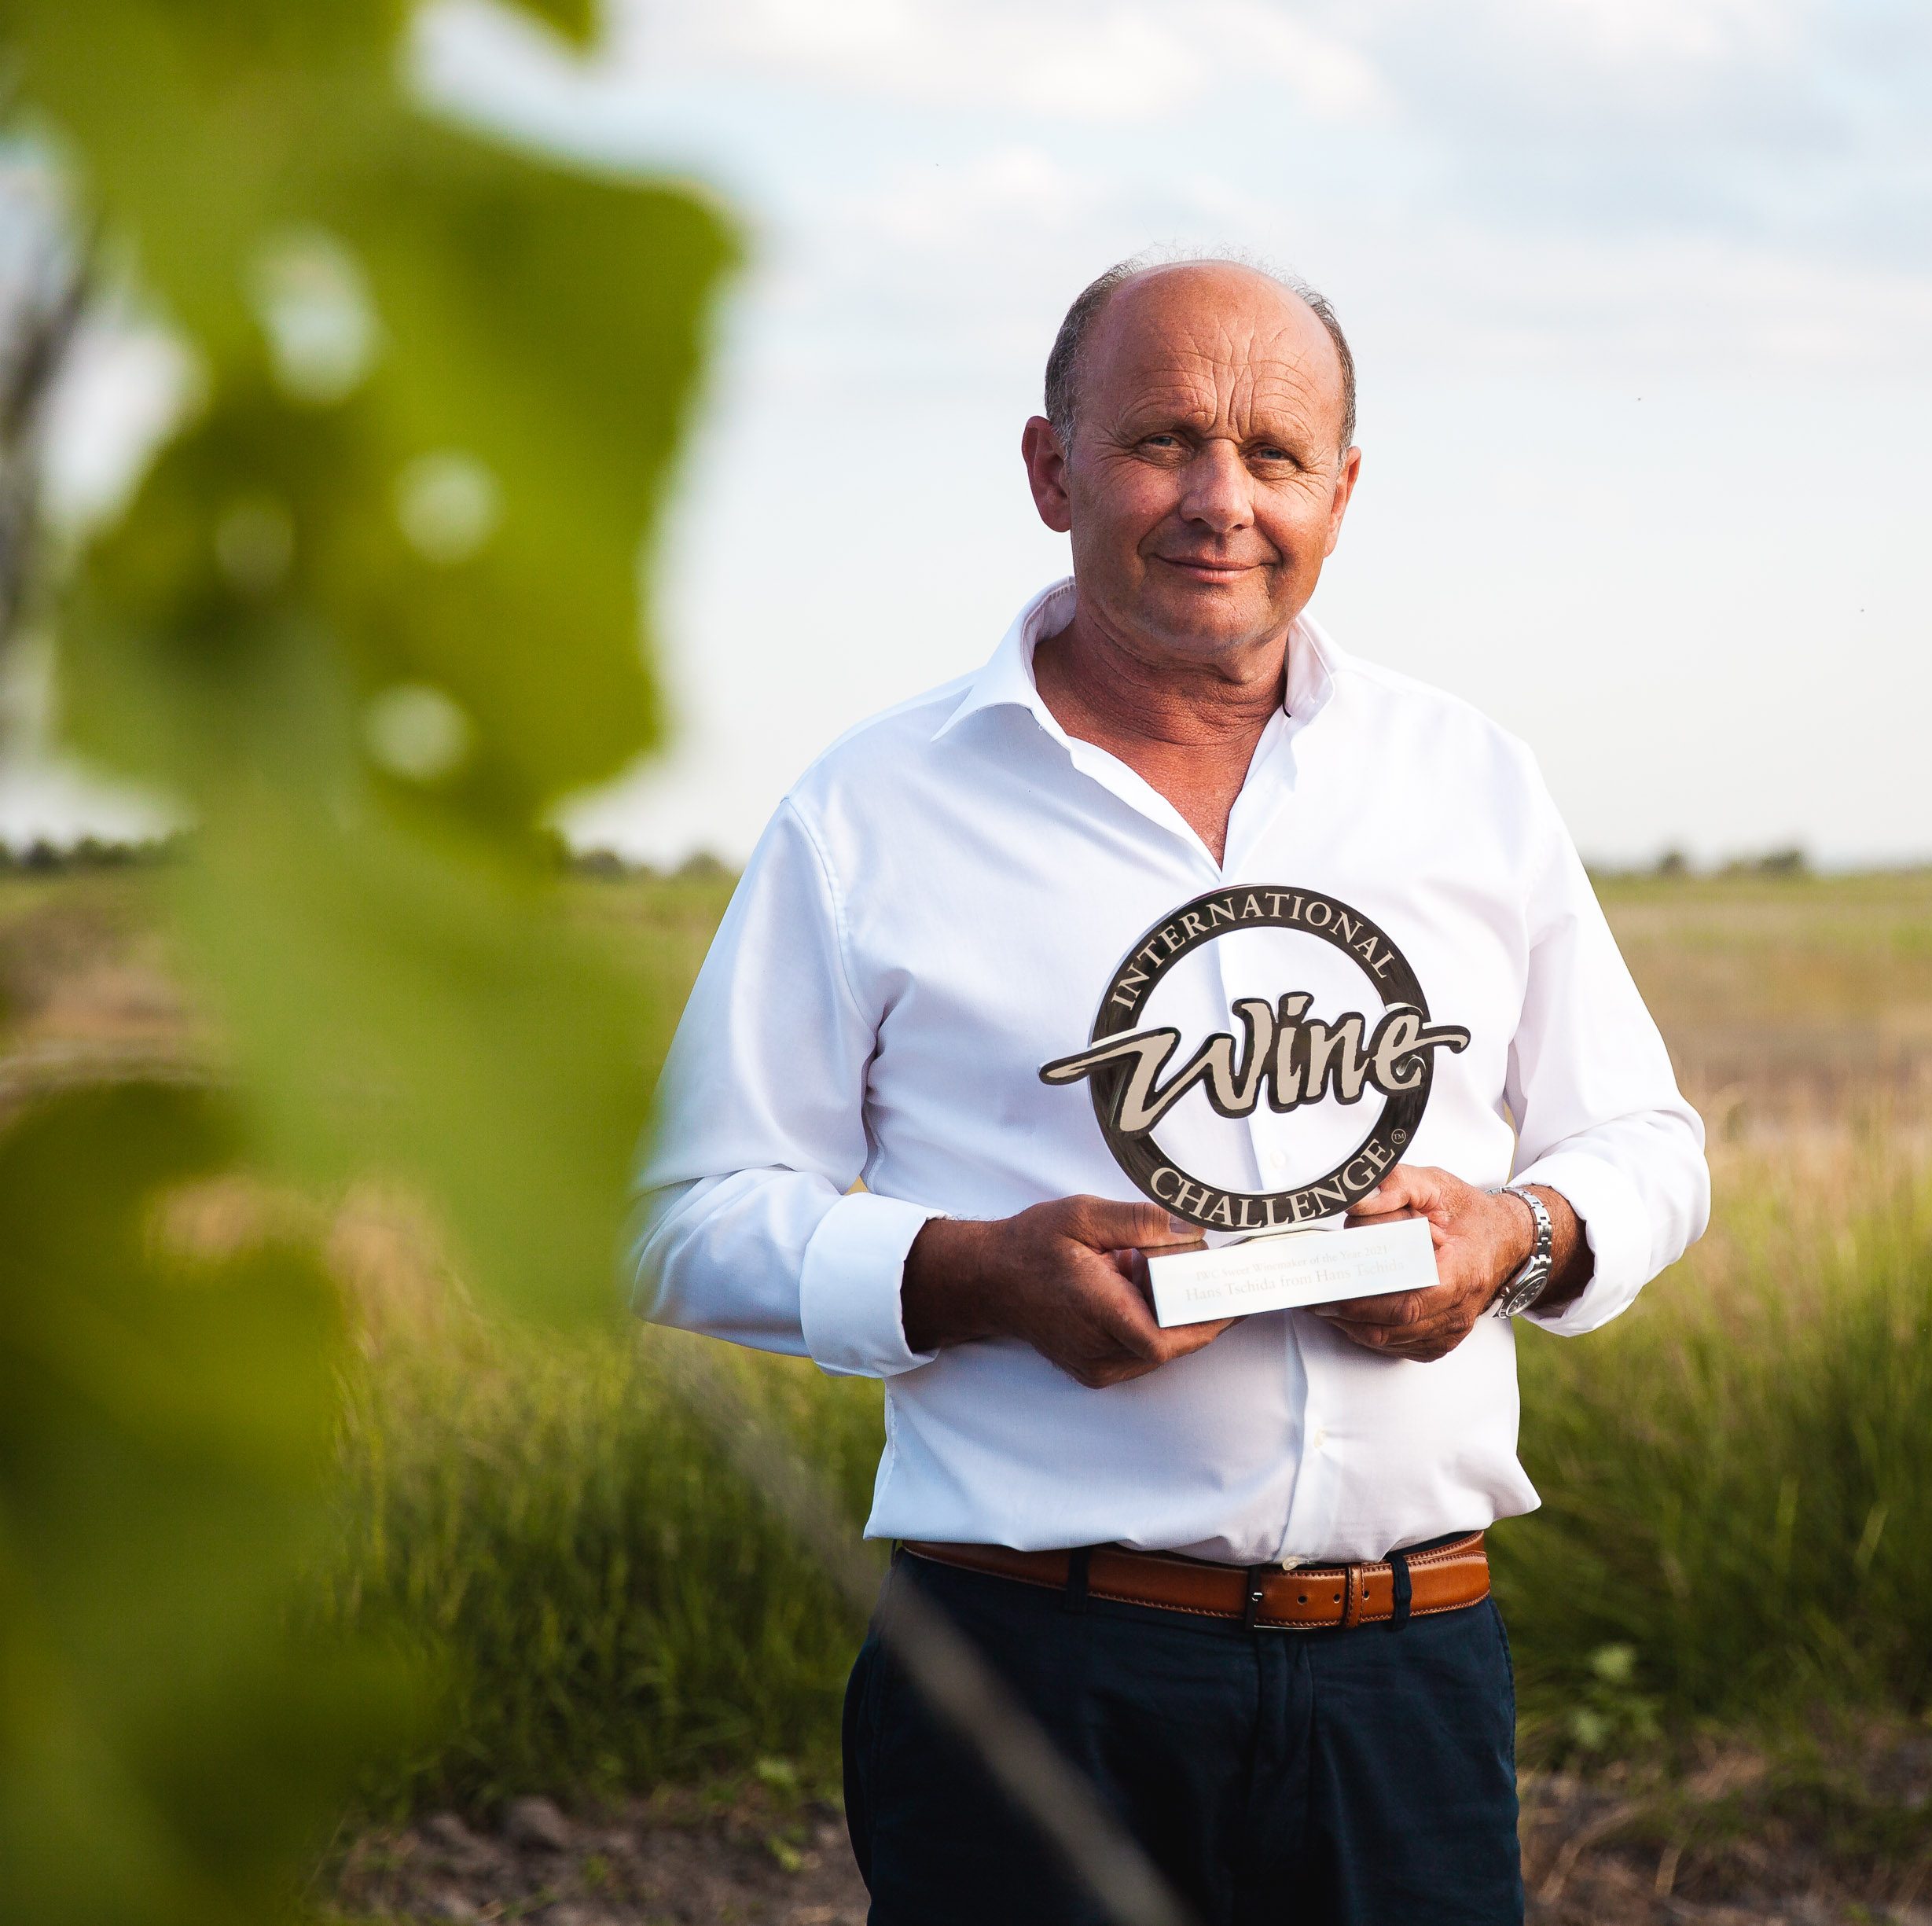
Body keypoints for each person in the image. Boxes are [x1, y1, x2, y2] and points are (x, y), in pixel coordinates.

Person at [629, 250, 1709, 1924]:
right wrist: (968, 1273)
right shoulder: (873, 811)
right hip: (1026, 1679)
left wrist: (1518, 1235)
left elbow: (1646, 1144)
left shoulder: (1466, 781)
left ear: (1341, 493)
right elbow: (683, 1218)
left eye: (1274, 454)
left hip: (1407, 1684)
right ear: (1050, 468)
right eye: (1162, 441)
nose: (1222, 499)